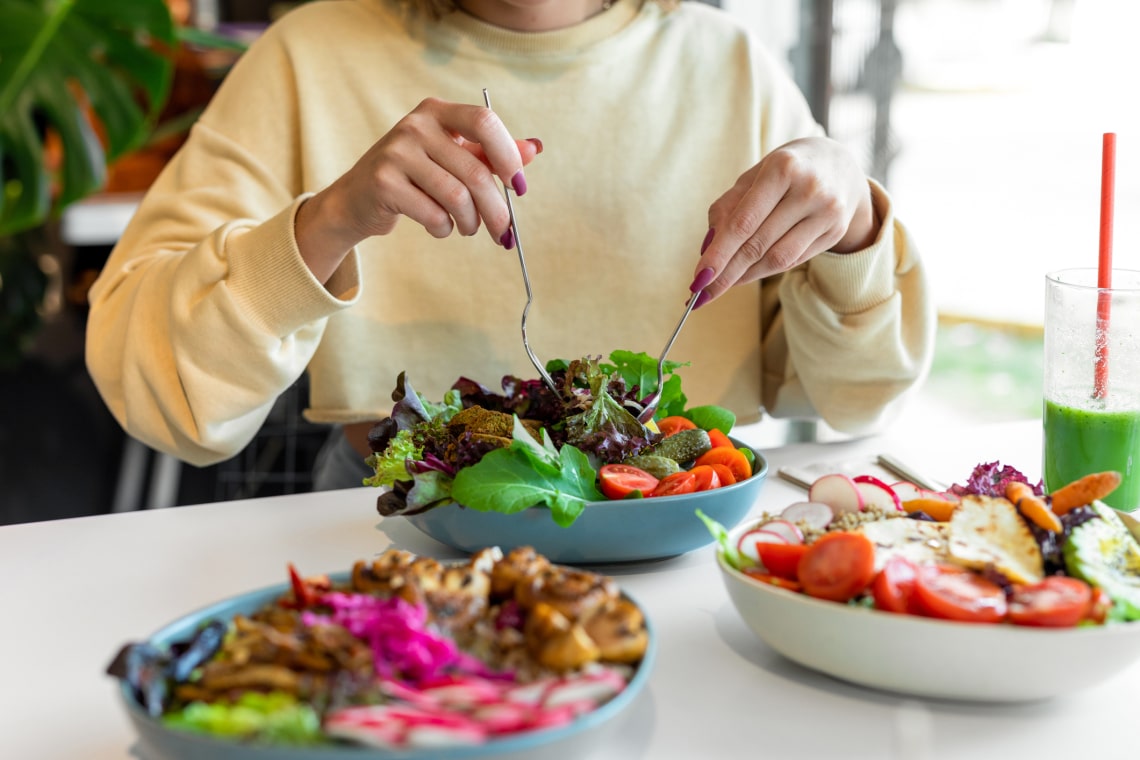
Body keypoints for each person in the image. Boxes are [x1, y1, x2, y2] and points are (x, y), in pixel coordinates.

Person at [85, 0, 935, 491]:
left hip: (691, 532)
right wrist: (331, 220)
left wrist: (854, 225)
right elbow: (158, 390)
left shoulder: (735, 67)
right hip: (400, 540)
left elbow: (860, 394)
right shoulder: (308, 56)